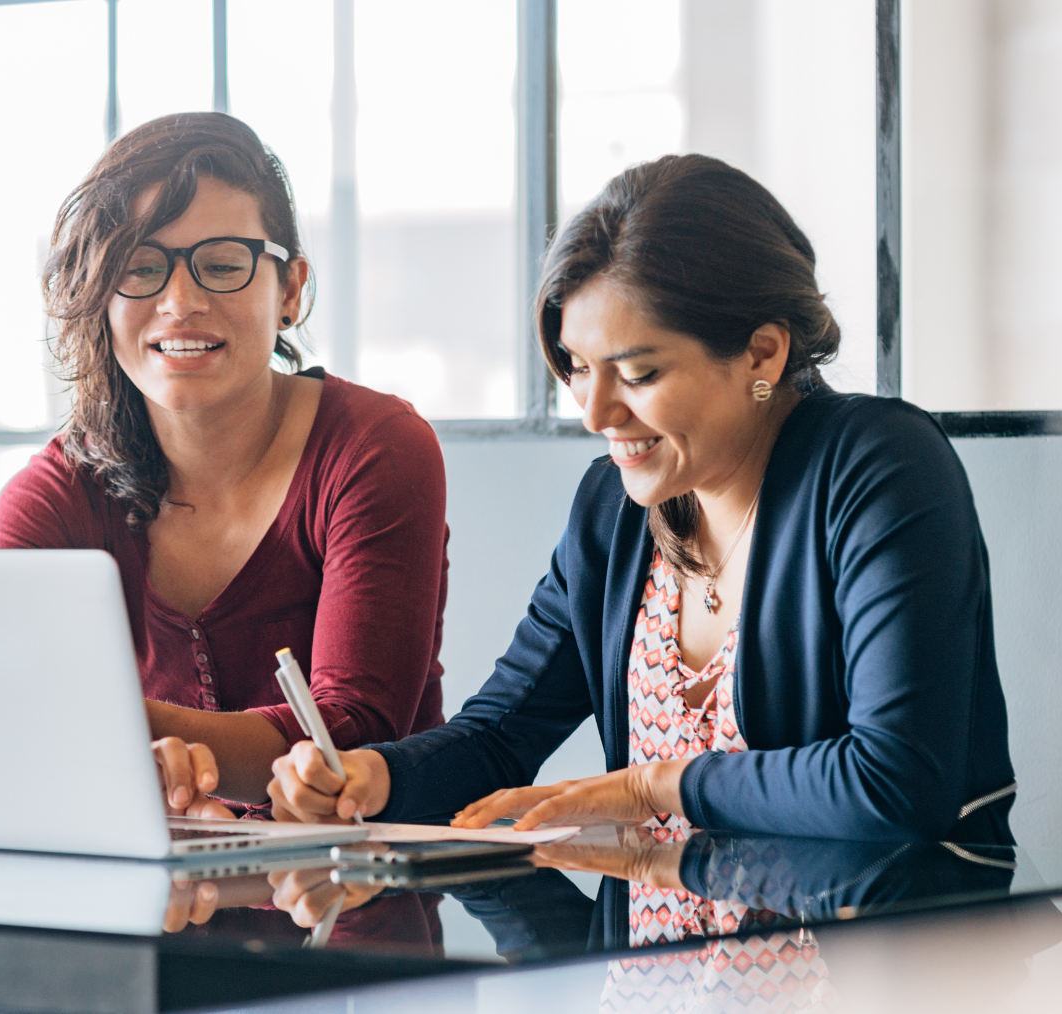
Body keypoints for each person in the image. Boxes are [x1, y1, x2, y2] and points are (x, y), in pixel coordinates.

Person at [266, 153, 1018, 847]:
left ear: (763, 352)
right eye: (579, 368)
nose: (595, 414)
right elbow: (501, 735)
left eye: (638, 373)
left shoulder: (878, 467)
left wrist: (656, 786)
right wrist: (379, 776)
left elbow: (895, 783)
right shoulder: (615, 510)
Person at [0, 112, 449, 817]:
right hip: (154, 906)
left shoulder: (376, 448)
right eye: (140, 268)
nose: (181, 303)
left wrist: (112, 739)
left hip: (365, 895)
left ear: (289, 290)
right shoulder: (55, 494)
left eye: (224, 264)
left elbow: (348, 731)